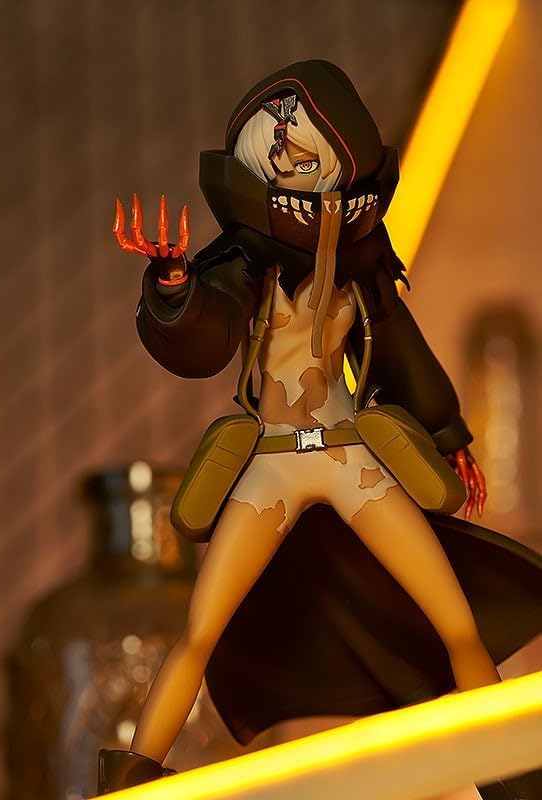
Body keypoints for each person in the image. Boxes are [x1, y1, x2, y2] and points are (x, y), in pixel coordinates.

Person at [99, 61, 542, 799]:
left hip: (349, 459)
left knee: (455, 623)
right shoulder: (245, 262)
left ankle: (514, 783)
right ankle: (127, 781)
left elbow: (402, 351)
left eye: (300, 142)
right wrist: (174, 290)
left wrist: (447, 432)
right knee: (199, 632)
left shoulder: (364, 263)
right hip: (273, 465)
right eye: (273, 145)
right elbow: (205, 333)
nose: (285, 151)